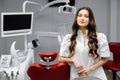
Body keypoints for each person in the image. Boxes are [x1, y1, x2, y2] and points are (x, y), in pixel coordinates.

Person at [59, 6, 110, 80]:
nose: (82, 18)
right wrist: (74, 60)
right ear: (76, 18)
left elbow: (105, 59)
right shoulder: (68, 38)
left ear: (90, 19)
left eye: (86, 16)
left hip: (96, 74)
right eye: (79, 15)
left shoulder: (100, 37)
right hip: (77, 75)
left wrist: (90, 69)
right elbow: (60, 58)